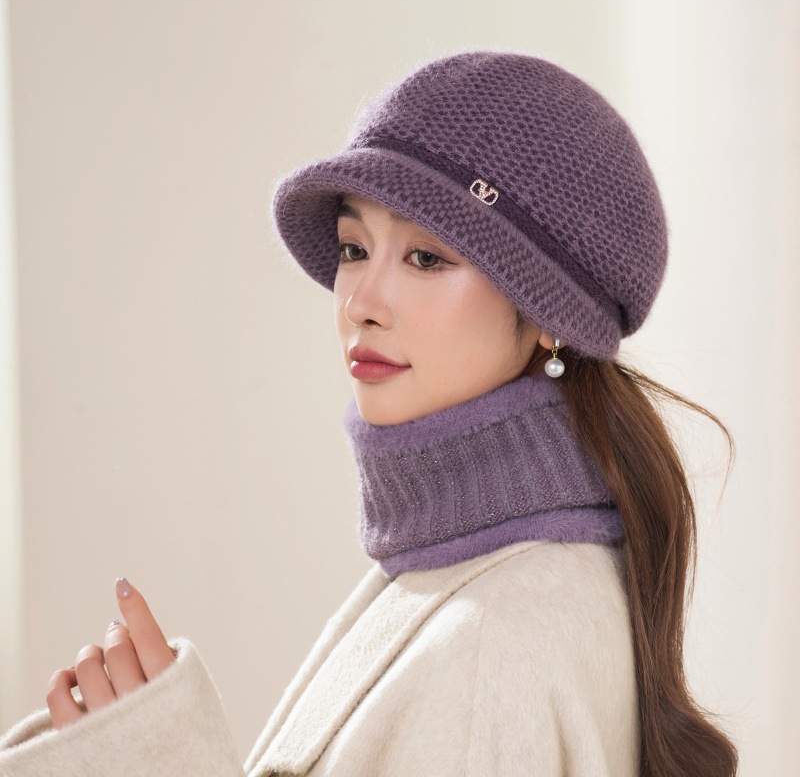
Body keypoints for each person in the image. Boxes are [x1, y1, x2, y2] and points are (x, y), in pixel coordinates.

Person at [0, 49, 739, 776]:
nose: (360, 303)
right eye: (354, 248)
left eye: (427, 258)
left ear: (551, 314)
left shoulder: (490, 642)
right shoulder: (464, 568)